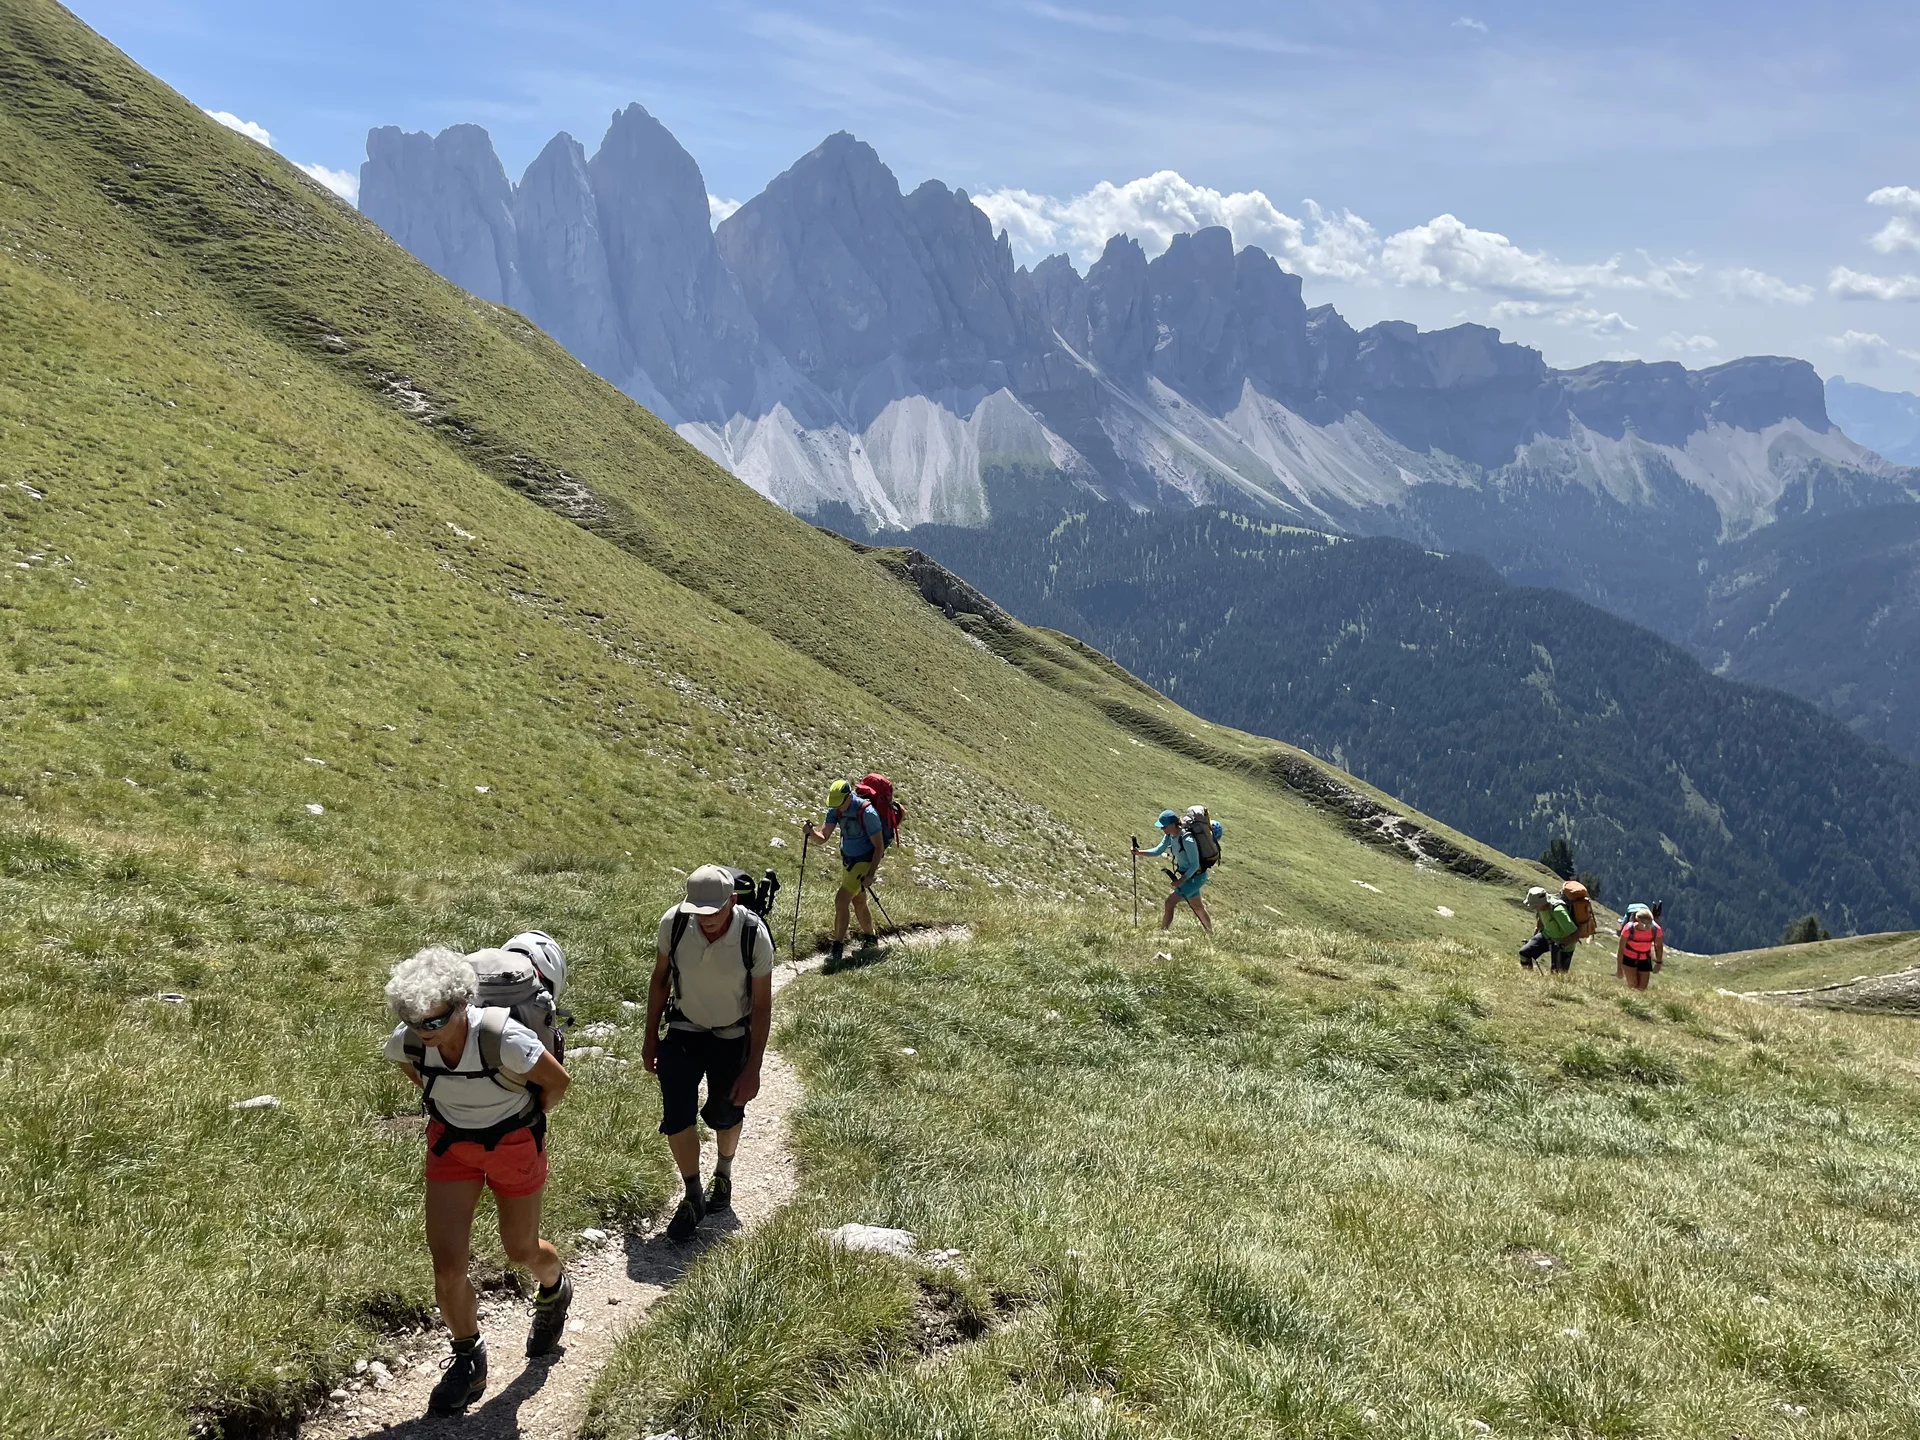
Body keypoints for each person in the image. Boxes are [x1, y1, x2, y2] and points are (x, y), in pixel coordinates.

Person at [383, 947, 574, 1416]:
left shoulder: (503, 1037)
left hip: (514, 1146)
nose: (423, 1033)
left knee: (521, 1250)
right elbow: (421, 1077)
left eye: (433, 1022)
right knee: (446, 1265)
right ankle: (469, 1356)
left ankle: (554, 1286)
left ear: (461, 1004)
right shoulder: (404, 1042)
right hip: (451, 1147)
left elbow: (558, 1082)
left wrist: (522, 1121)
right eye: (413, 1021)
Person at [644, 864, 775, 1243]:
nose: (706, 921)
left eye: (714, 913)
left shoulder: (753, 934)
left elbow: (763, 1006)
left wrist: (754, 1067)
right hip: (684, 1029)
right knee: (676, 1114)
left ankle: (724, 1174)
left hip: (733, 1034)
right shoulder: (675, 923)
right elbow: (659, 979)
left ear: (732, 902)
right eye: (698, 913)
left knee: (727, 1111)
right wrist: (650, 1036)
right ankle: (692, 1194)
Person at [801, 780, 888, 962]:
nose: (836, 808)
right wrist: (811, 832)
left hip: (863, 862)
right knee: (858, 901)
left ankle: (837, 948)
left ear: (849, 797)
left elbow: (878, 847)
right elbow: (823, 838)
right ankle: (870, 939)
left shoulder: (867, 812)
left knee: (841, 900)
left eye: (839, 803)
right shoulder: (836, 808)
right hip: (848, 862)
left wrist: (871, 874)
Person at [1133, 809, 1212, 933]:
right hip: (1190, 877)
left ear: (1173, 824)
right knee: (1197, 906)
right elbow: (1158, 850)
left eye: (1164, 826)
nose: (1162, 829)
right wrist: (1139, 853)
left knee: (1170, 902)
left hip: (1195, 878)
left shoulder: (1187, 839)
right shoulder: (1170, 835)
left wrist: (1181, 880)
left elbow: (1195, 864)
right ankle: (1210, 933)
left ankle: (1163, 932)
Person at [1523, 885, 1580, 976]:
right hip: (1547, 936)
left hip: (1564, 944)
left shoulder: (1558, 911)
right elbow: (1540, 924)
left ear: (1541, 903)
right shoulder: (1541, 908)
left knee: (1557, 975)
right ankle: (1528, 977)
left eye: (1535, 906)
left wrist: (1561, 945)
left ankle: (1556, 988)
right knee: (1525, 953)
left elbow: (1576, 934)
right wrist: (1532, 939)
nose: (1534, 908)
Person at [1616, 904, 1664, 990]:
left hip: (1645, 959)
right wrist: (1619, 968)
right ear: (1637, 920)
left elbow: (1659, 946)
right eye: (1644, 924)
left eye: (1649, 923)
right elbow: (1621, 949)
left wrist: (1658, 963)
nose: (1647, 926)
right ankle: (1629, 1002)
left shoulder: (1656, 929)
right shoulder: (1628, 928)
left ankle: (1635, 1002)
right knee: (1633, 986)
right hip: (1628, 958)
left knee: (1642, 988)